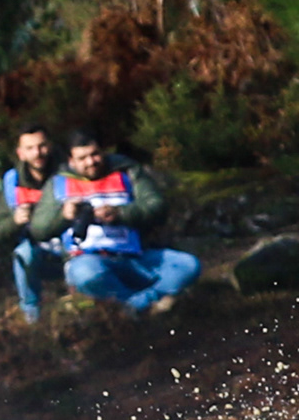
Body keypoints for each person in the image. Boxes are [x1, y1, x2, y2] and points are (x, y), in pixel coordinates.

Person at [48, 130, 200, 318]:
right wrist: (64, 215)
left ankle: (137, 304)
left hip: (135, 256)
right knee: (85, 274)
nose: (91, 162)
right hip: (89, 259)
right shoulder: (58, 182)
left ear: (103, 152)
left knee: (188, 265)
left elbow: (157, 207)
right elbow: (39, 228)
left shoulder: (127, 170)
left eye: (95, 154)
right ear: (71, 161)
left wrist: (120, 213)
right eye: (82, 158)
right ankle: (136, 306)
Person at [0, 124, 61, 323]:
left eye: (42, 146)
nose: (37, 153)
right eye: (30, 148)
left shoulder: (67, 173)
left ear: (50, 146)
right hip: (37, 251)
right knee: (23, 254)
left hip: (70, 246)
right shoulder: (12, 182)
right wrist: (15, 221)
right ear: (20, 153)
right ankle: (31, 317)